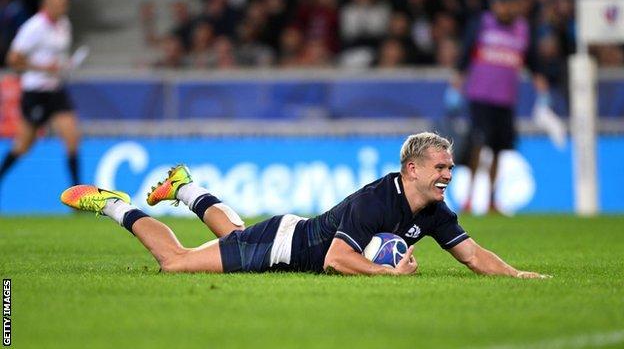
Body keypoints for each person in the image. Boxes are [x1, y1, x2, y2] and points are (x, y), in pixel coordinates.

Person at [61, 133, 549, 278]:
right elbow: (338, 260)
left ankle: (185, 187)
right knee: (174, 263)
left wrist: (520, 276)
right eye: (440, 167)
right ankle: (114, 205)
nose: (448, 174)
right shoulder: (378, 200)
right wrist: (389, 274)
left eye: (450, 167)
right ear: (412, 170)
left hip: (287, 238)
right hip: (279, 246)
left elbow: (473, 255)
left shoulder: (436, 211)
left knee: (233, 237)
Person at [450, 0, 550, 214]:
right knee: (478, 146)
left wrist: (540, 83)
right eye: (501, 4)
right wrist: (457, 82)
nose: (505, 8)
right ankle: (469, 196)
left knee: (498, 150)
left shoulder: (523, 29)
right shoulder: (481, 24)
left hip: (505, 100)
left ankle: (491, 200)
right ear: (494, 5)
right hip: (480, 96)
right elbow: (465, 55)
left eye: (509, 4)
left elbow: (532, 61)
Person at [0, 0, 81, 188]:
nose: (63, 8)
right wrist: (42, 68)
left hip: (56, 90)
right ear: (46, 6)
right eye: (60, 5)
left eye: (64, 5)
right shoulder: (34, 27)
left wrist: (63, 66)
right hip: (35, 92)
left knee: (72, 139)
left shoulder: (64, 24)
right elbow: (13, 59)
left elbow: (57, 54)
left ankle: (78, 195)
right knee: (23, 146)